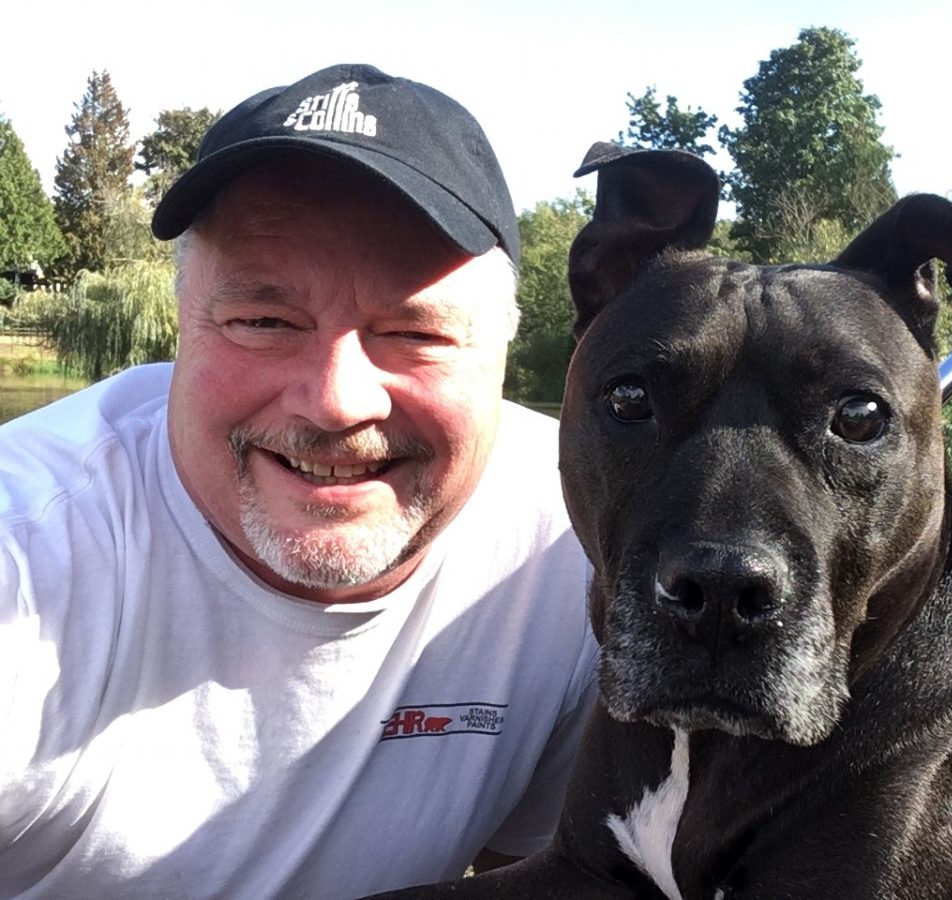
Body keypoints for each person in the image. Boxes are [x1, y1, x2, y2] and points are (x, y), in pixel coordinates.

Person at [0, 64, 598, 897]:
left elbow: (533, 871)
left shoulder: (580, 541)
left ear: (505, 349)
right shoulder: (31, 554)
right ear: (182, 330)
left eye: (414, 333)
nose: (335, 400)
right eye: (264, 322)